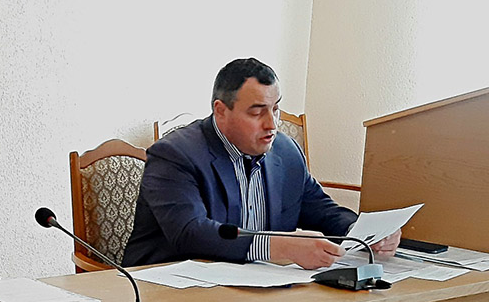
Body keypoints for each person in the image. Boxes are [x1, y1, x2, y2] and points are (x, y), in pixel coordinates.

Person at [123, 57, 401, 268]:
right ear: (221, 111)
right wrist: (278, 247)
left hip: (258, 287)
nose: (272, 124)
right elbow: (190, 233)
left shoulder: (286, 151)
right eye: (257, 113)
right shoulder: (174, 154)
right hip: (171, 289)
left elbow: (319, 208)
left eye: (276, 109)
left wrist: (362, 233)